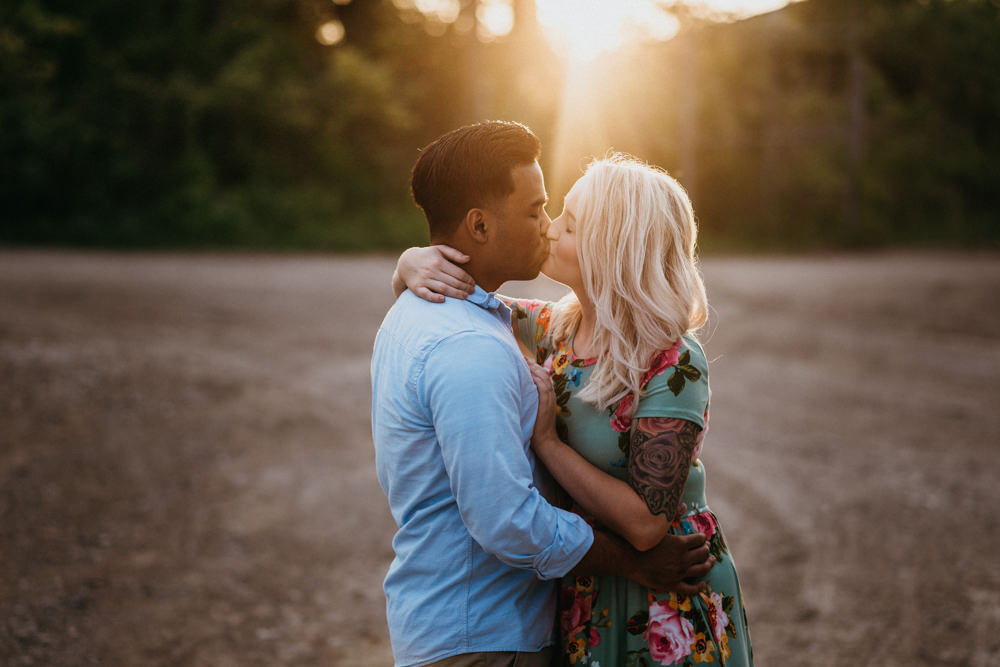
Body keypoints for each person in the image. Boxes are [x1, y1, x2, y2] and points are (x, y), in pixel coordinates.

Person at [371, 122, 715, 667]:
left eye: (565, 222)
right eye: (540, 212)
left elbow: (648, 521)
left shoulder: (669, 361)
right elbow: (505, 517)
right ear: (480, 223)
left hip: (665, 591)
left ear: (612, 248)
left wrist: (549, 442)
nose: (549, 230)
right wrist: (410, 263)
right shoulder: (545, 331)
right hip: (556, 603)